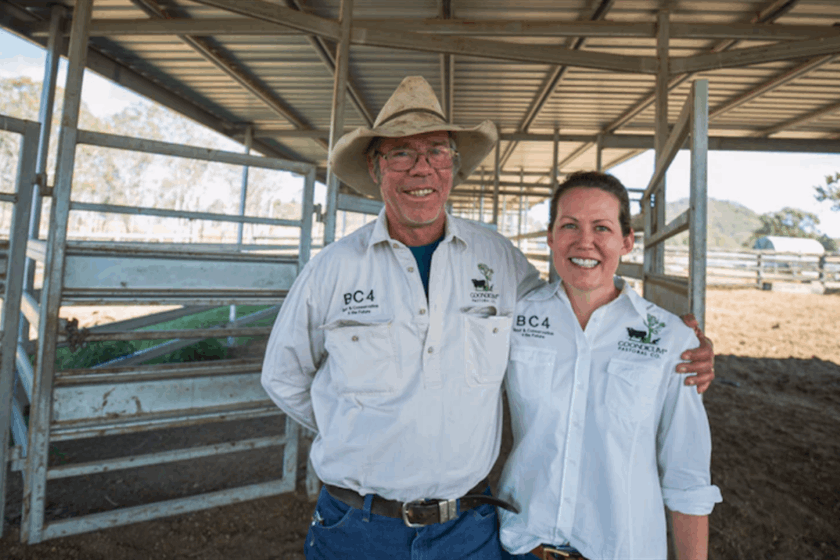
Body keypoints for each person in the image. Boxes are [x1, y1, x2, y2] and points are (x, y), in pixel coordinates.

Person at [260, 77, 715, 560]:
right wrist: (355, 427)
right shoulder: (331, 270)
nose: (422, 168)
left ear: (453, 166)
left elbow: (571, 304)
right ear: (375, 167)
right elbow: (284, 376)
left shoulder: (497, 259)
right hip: (358, 527)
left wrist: (668, 340)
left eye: (437, 152)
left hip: (466, 529)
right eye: (401, 154)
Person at [498, 171, 722, 560]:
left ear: (627, 241)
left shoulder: (671, 339)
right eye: (569, 225)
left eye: (601, 227)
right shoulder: (512, 319)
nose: (585, 241)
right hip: (521, 547)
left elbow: (687, 476)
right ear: (550, 236)